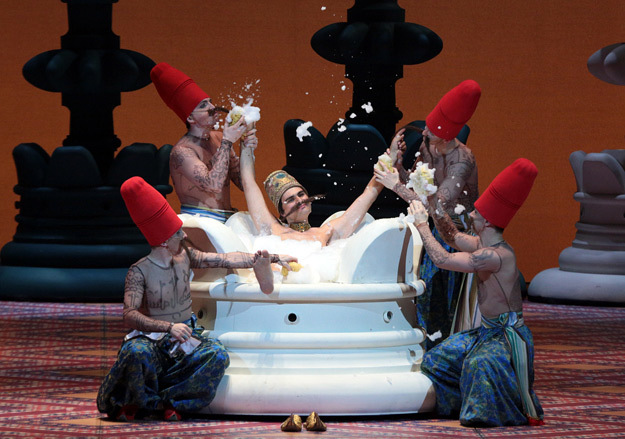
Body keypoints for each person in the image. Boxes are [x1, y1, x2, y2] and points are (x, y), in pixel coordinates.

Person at [97, 177, 295, 422]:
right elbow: (129, 315)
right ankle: (136, 401)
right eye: (176, 233)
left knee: (216, 355)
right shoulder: (139, 271)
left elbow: (225, 259)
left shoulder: (186, 256)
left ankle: (170, 401)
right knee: (136, 353)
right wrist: (168, 327)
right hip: (152, 338)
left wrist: (271, 258)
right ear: (164, 241)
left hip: (183, 336)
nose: (183, 234)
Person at [407, 158, 544, 427]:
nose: (471, 215)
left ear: (488, 222)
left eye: (477, 213)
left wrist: (422, 226)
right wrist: (433, 203)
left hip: (505, 337)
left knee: (479, 364)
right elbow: (451, 237)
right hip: (486, 332)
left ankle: (492, 414)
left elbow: (442, 259)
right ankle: (460, 403)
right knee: (436, 361)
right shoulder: (481, 243)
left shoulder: (495, 256)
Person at [374, 79, 481, 348]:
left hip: (455, 232)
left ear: (445, 135)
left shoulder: (462, 161)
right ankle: (425, 347)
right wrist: (398, 165)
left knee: (441, 299)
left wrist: (394, 185)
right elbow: (419, 190)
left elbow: (437, 207)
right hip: (431, 224)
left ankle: (443, 351)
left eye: (431, 130)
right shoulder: (427, 146)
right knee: (424, 292)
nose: (424, 132)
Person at [238, 126, 395, 246]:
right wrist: (246, 143)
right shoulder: (273, 231)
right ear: (282, 212)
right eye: (290, 200)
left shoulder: (325, 232)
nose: (299, 200)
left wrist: (391, 158)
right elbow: (248, 182)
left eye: (301, 194)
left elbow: (369, 194)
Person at [151, 62, 248, 223]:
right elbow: (213, 185)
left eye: (210, 101)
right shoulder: (182, 151)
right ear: (190, 117)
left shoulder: (219, 138)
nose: (213, 107)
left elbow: (244, 184)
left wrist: (246, 146)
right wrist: (227, 141)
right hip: (201, 223)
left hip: (227, 220)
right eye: (204, 105)